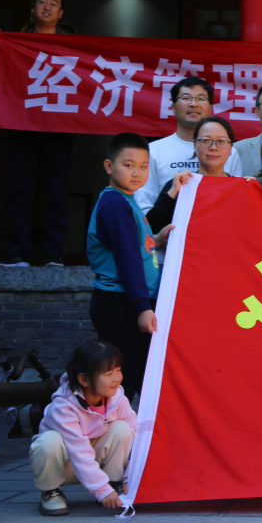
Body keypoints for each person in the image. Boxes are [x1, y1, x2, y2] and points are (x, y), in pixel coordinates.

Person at [87, 134, 172, 403]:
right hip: (121, 303)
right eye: (128, 165)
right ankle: (107, 427)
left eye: (143, 166)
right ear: (109, 166)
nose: (137, 173)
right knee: (122, 382)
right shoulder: (115, 203)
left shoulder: (126, 200)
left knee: (132, 380)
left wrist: (155, 240)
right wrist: (142, 307)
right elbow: (127, 257)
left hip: (127, 301)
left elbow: (131, 245)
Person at [0, 0, 76, 268]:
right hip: (23, 126)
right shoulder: (16, 42)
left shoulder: (74, 45)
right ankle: (18, 253)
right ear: (33, 9)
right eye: (42, 2)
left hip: (59, 127)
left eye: (53, 3)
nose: (47, 7)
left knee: (56, 194)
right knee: (19, 192)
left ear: (61, 13)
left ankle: (54, 255)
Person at [31, 340, 136, 516]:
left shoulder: (117, 397)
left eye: (118, 370)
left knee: (123, 429)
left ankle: (114, 483)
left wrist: (130, 478)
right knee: (48, 441)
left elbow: (138, 438)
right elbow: (78, 450)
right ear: (84, 379)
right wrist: (100, 490)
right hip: (68, 464)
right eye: (109, 373)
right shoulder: (63, 406)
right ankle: (51, 491)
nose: (117, 378)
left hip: (97, 460)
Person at [134, 76, 242, 214]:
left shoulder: (229, 151)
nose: (193, 104)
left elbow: (236, 198)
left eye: (201, 99)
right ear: (173, 107)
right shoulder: (153, 151)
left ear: (210, 108)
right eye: (186, 98)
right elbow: (144, 205)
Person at [146, 116, 240, 233]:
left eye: (221, 142)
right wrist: (172, 194)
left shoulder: (240, 188)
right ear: (195, 145)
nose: (213, 147)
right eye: (205, 141)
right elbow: (149, 228)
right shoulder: (178, 185)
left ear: (231, 149)